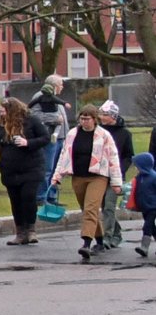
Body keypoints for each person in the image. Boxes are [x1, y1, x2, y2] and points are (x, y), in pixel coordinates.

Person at [0, 97, 53, 246]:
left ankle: (31, 229)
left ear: (13, 110)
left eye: (4, 110)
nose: (1, 113)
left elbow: (46, 138)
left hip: (31, 168)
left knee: (28, 196)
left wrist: (28, 143)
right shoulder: (1, 126)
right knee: (16, 200)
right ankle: (20, 232)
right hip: (10, 170)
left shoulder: (31, 121)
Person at [51, 107, 121, 264]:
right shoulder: (72, 134)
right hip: (78, 176)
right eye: (82, 118)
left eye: (87, 118)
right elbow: (64, 156)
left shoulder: (103, 135)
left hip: (98, 176)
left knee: (90, 208)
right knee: (88, 210)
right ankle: (100, 241)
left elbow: (113, 158)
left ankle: (86, 243)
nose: (84, 121)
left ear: (94, 119)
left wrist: (116, 182)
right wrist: (57, 176)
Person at [95, 102, 134, 252]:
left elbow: (128, 156)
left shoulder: (125, 134)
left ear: (113, 116)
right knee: (105, 207)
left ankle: (108, 236)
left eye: (104, 115)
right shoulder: (98, 131)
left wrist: (119, 170)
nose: (101, 117)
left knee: (110, 206)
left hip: (116, 176)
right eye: (101, 114)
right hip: (99, 174)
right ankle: (117, 233)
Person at [31, 77, 71, 211]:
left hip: (61, 138)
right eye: (60, 84)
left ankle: (52, 196)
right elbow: (34, 115)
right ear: (53, 85)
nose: (62, 87)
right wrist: (54, 119)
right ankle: (41, 197)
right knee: (47, 169)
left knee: (56, 170)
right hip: (49, 139)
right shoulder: (40, 96)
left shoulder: (56, 98)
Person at [132, 152, 156, 258]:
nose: (135, 168)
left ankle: (144, 247)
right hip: (144, 207)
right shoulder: (139, 177)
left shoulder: (153, 177)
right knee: (152, 228)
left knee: (147, 226)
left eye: (137, 166)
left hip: (153, 207)